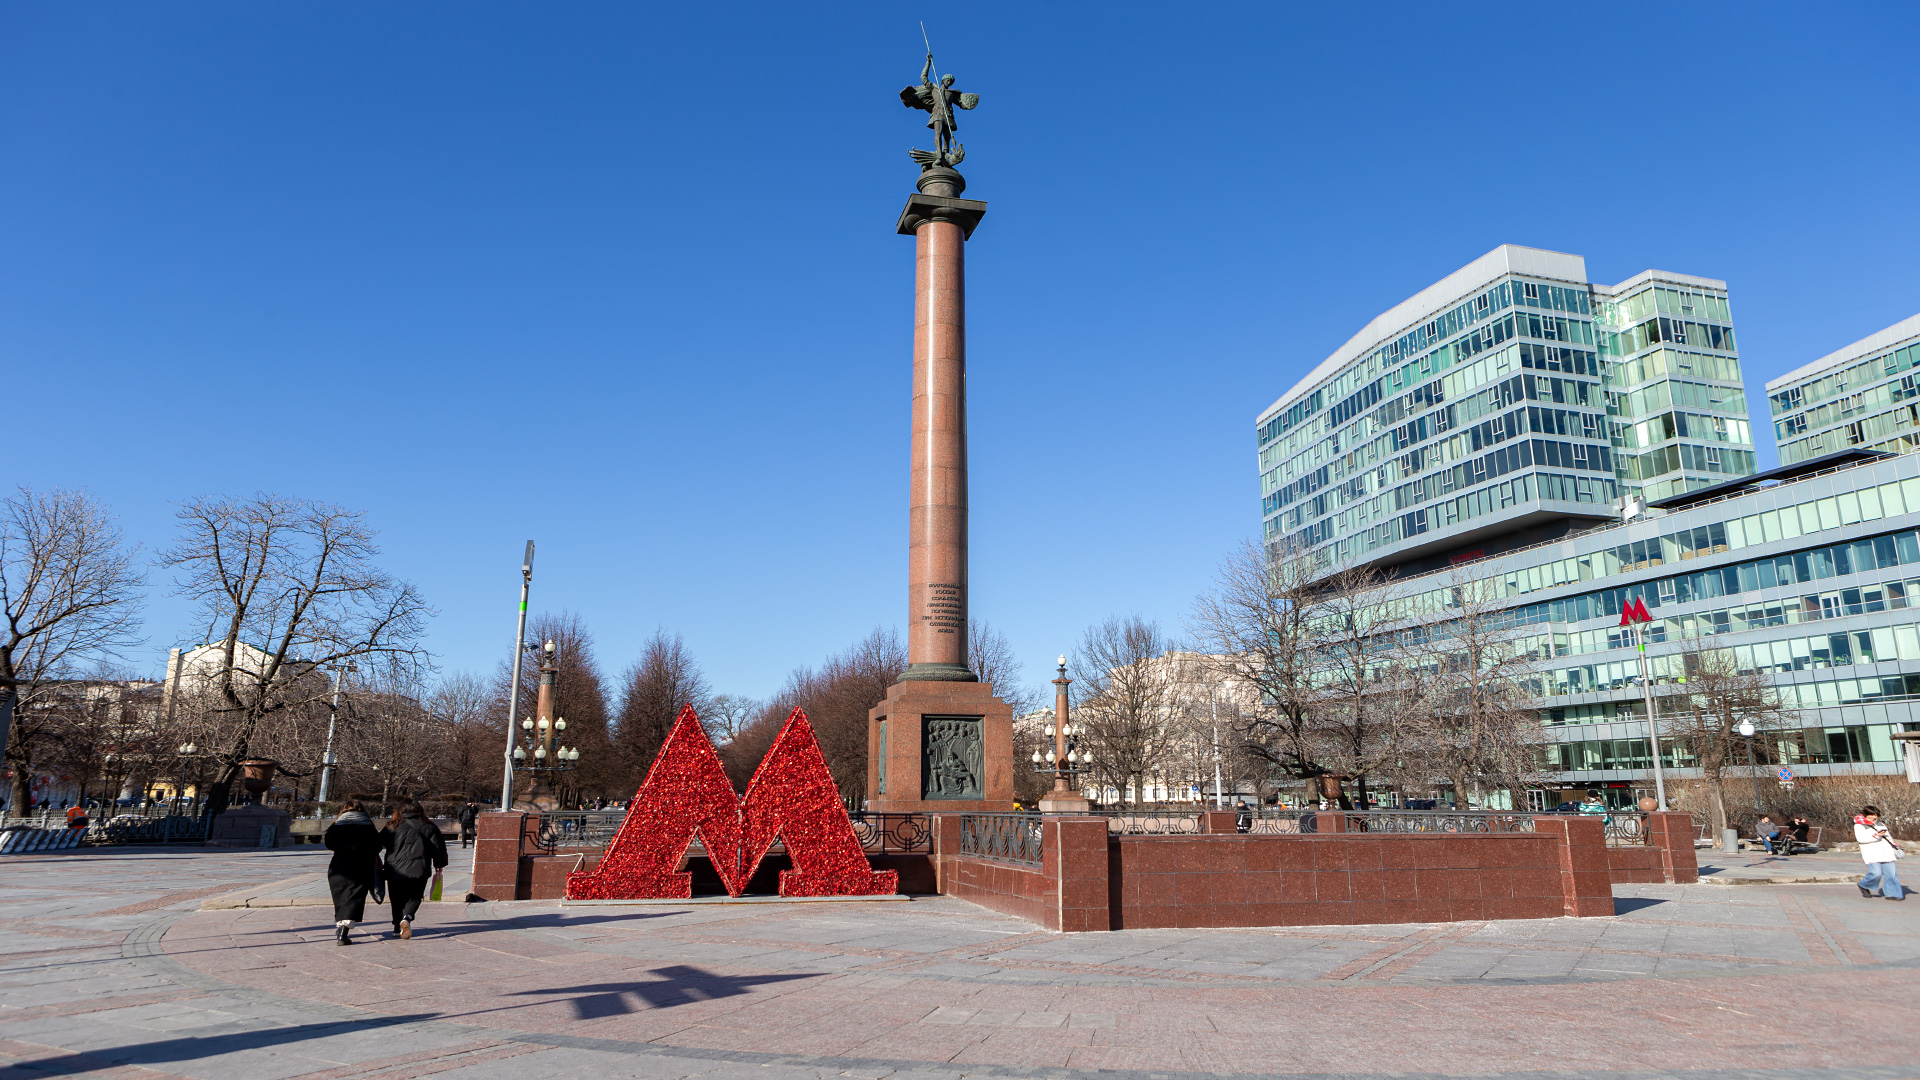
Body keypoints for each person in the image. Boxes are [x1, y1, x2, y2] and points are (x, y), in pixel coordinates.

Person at [382, 797, 448, 939]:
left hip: (395, 868)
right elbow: (439, 847)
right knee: (415, 896)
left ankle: (396, 926)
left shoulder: (392, 825)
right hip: (419, 867)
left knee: (396, 898)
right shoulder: (429, 826)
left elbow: (378, 843)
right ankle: (407, 917)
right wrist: (439, 864)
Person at [323, 801, 383, 945]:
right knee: (354, 897)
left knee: (340, 897)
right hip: (362, 866)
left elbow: (329, 843)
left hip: (338, 866)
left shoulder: (336, 825)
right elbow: (377, 846)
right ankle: (343, 930)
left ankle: (341, 926)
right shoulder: (368, 826)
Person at [1854, 806, 1904, 901]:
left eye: (1875, 815)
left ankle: (1892, 894)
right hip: (1872, 853)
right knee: (1876, 873)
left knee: (1891, 874)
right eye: (1871, 815)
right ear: (1865, 815)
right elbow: (1861, 839)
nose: (1874, 817)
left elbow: (1888, 837)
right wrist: (1877, 836)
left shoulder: (1881, 824)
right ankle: (1863, 884)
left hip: (1886, 852)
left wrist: (1894, 845)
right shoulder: (1859, 825)